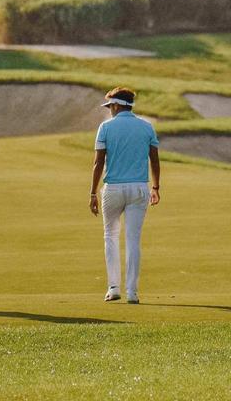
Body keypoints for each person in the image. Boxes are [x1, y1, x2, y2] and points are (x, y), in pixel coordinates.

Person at [89, 87, 160, 304]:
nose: (109, 110)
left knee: (110, 236)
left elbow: (98, 163)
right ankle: (132, 292)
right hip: (139, 188)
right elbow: (154, 160)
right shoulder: (146, 127)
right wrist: (156, 187)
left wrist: (92, 192)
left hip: (113, 189)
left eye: (110, 106)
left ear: (117, 105)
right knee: (133, 240)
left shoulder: (106, 127)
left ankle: (113, 288)